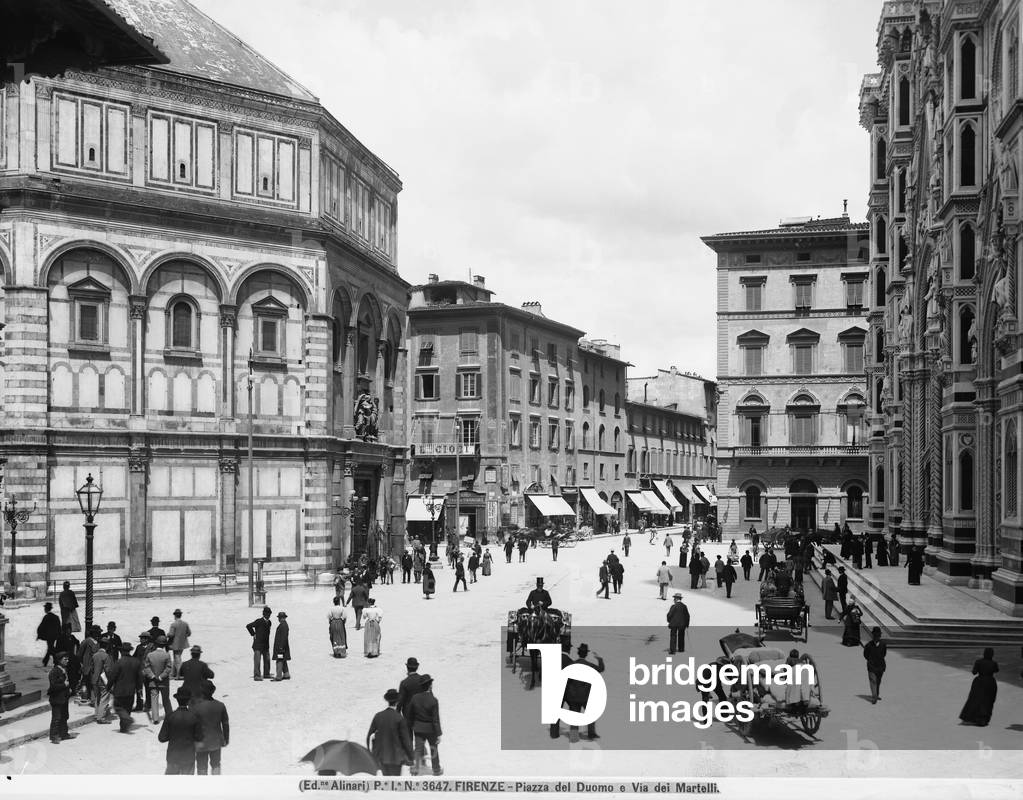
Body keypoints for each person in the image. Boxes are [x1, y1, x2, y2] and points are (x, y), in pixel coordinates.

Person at [368, 689, 414, 776]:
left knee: (386, 783)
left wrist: (373, 752)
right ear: (397, 702)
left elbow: (369, 735)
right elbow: (406, 741)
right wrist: (411, 757)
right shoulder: (399, 718)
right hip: (396, 757)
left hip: (382, 757)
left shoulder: (378, 716)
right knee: (395, 784)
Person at [158, 687, 203, 775]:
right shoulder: (194, 717)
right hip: (188, 756)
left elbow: (162, 738)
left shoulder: (170, 716)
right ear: (188, 701)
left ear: (177, 700)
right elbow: (199, 737)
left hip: (173, 756)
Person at [567, 645, 605, 741]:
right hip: (585, 695)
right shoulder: (589, 665)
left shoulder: (572, 664)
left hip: (573, 695)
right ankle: (591, 734)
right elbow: (601, 668)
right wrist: (599, 659)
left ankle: (574, 736)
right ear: (586, 654)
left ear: (578, 653)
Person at [193, 681, 230, 775]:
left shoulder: (196, 707)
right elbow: (225, 724)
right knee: (216, 764)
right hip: (216, 741)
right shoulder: (220, 705)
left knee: (201, 766)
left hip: (201, 742)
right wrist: (226, 739)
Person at [408, 675, 443, 776]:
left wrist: (412, 725)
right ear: (430, 686)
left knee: (418, 749)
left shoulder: (414, 698)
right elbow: (436, 719)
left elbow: (410, 714)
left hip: (418, 728)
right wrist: (439, 733)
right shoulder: (433, 700)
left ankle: (415, 769)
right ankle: (436, 769)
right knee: (433, 749)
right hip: (431, 729)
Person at [107, 641, 144, 732]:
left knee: (118, 707)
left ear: (121, 651)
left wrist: (108, 687)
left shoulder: (119, 662)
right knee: (127, 708)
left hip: (119, 690)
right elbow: (140, 677)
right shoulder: (136, 662)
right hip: (131, 690)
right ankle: (124, 727)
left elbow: (112, 677)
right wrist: (139, 688)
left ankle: (126, 720)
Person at [959, 648, 999, 726]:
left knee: (975, 699)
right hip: (990, 682)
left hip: (979, 682)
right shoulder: (994, 663)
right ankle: (983, 719)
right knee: (988, 701)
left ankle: (972, 717)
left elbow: (974, 672)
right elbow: (996, 670)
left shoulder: (978, 662)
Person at [144, 635, 173, 724]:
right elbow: (168, 668)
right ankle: (169, 716)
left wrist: (152, 676)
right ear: (164, 645)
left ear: (156, 644)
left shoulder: (150, 655)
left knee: (154, 699)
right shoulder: (167, 655)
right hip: (163, 681)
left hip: (153, 681)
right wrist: (161, 677)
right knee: (166, 699)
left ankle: (155, 718)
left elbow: (146, 667)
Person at [47, 652, 73, 744]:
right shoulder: (54, 671)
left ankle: (64, 734)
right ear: (59, 660)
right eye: (65, 659)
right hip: (56, 699)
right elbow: (53, 686)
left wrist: (68, 689)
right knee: (56, 718)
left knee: (65, 716)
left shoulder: (64, 670)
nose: (67, 661)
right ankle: (54, 736)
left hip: (64, 698)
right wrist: (64, 685)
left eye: (67, 659)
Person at [246, 606, 273, 681]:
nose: (268, 615)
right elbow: (248, 626)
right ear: (264, 614)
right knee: (257, 661)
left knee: (267, 660)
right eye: (267, 614)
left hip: (265, 645)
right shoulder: (259, 621)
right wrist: (253, 634)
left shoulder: (269, 622)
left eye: (269, 614)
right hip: (258, 645)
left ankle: (266, 674)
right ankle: (257, 676)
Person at [92, 636, 114, 723]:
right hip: (103, 680)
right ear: (107, 646)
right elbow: (108, 670)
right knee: (104, 698)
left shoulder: (94, 655)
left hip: (94, 679)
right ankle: (100, 717)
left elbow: (92, 668)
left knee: (97, 697)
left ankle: (96, 714)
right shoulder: (106, 656)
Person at [76, 625, 101, 703]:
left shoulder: (98, 642)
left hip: (96, 666)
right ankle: (85, 696)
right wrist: (81, 664)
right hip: (87, 666)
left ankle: (93, 698)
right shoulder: (86, 642)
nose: (98, 634)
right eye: (97, 633)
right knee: (86, 682)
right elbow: (79, 654)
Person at [168, 609, 191, 681]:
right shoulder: (185, 623)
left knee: (177, 658)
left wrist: (167, 635)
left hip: (175, 643)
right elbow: (189, 633)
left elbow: (171, 635)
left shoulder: (174, 624)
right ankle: (175, 673)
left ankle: (178, 674)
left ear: (175, 615)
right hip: (183, 643)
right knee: (178, 657)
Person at [37, 602, 62, 667]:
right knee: (50, 647)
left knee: (51, 648)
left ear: (46, 609)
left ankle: (55, 660)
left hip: (49, 636)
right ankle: (46, 660)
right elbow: (59, 626)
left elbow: (41, 627)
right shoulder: (56, 617)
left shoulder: (46, 617)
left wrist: (39, 635)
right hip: (54, 635)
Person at [272, 611, 291, 681]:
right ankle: (286, 674)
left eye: (279, 617)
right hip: (282, 647)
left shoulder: (283, 625)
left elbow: (283, 637)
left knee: (279, 660)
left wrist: (281, 647)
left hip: (281, 647)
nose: (278, 619)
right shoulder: (284, 624)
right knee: (283, 659)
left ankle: (279, 676)